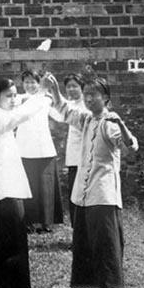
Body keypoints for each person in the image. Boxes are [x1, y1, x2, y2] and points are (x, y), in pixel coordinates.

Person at [43, 73, 138, 288]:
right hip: (82, 197)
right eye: (86, 95)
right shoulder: (86, 119)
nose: (88, 99)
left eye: (93, 95)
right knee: (82, 251)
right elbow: (66, 111)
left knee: (106, 250)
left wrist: (122, 126)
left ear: (105, 97)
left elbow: (130, 148)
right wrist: (56, 92)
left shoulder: (110, 123)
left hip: (103, 198)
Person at [0, 77, 50, 288]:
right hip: (3, 188)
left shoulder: (1, 112)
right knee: (8, 239)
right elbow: (21, 114)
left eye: (15, 94)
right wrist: (40, 94)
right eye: (9, 96)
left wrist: (33, 96)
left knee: (14, 238)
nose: (14, 99)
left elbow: (22, 103)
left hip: (9, 185)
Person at [15, 70, 63, 233]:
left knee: (45, 186)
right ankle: (27, 221)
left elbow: (60, 117)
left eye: (33, 82)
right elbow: (23, 111)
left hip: (43, 148)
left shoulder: (46, 99)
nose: (29, 85)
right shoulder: (19, 99)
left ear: (39, 83)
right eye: (26, 82)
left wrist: (55, 94)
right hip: (24, 148)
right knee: (28, 186)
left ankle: (46, 223)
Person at [61, 74, 87, 225]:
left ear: (82, 87)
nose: (71, 89)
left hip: (84, 159)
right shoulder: (71, 103)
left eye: (74, 86)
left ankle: (83, 229)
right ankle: (76, 229)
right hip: (73, 159)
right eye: (68, 86)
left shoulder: (84, 106)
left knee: (82, 195)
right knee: (74, 195)